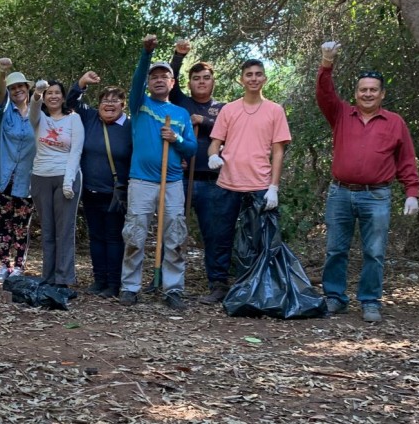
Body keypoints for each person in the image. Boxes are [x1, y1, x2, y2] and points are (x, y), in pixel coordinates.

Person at [317, 41, 419, 323]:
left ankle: (370, 301)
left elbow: (406, 160)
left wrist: (412, 192)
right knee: (336, 249)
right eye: (363, 89)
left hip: (376, 196)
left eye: (373, 89)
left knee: (374, 252)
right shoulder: (341, 115)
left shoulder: (395, 122)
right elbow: (325, 95)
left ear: (382, 94)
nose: (367, 93)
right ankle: (335, 298)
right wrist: (327, 63)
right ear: (356, 93)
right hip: (340, 193)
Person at [119, 35, 196, 310]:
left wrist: (176, 139)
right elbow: (137, 79)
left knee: (175, 236)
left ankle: (173, 289)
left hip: (172, 182)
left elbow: (192, 148)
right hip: (141, 182)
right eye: (155, 76)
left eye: (165, 76)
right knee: (135, 235)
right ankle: (130, 287)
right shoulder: (140, 104)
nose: (159, 80)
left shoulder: (180, 114)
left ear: (173, 83)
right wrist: (145, 54)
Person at [204, 59, 291, 304]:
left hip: (260, 184)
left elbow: (278, 151)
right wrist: (212, 156)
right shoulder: (229, 110)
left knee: (259, 239)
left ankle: (255, 286)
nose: (253, 78)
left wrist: (274, 187)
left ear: (264, 79)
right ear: (241, 79)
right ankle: (218, 285)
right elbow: (215, 142)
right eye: (249, 74)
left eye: (258, 74)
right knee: (220, 236)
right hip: (228, 183)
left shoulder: (275, 110)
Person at [66, 71, 132, 298]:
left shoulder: (130, 127)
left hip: (116, 194)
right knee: (96, 236)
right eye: (105, 100)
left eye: (115, 101)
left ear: (123, 105)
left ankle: (113, 283)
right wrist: (82, 82)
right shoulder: (90, 117)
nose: (109, 104)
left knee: (114, 237)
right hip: (90, 190)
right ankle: (99, 279)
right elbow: (71, 102)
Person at [169, 39, 225, 292]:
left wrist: (205, 121)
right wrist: (179, 56)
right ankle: (165, 279)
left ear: (213, 81)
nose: (201, 82)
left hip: (212, 181)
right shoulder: (181, 102)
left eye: (206, 78)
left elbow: (231, 133)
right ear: (190, 82)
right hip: (181, 177)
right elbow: (171, 84)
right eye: (196, 78)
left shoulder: (223, 109)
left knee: (213, 234)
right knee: (172, 229)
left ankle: (217, 282)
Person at [30, 79, 84, 288]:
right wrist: (36, 93)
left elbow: (76, 151)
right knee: (48, 230)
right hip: (40, 176)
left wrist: (68, 180)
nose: (52, 96)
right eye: (48, 93)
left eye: (56, 92)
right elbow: (33, 110)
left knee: (64, 229)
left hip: (65, 176)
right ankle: (48, 277)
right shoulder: (39, 119)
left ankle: (63, 278)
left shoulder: (74, 119)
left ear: (63, 97)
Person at [0, 59, 36, 281]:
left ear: (28, 89)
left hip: (27, 180)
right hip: (1, 177)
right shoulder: (4, 112)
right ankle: (3, 265)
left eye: (21, 87)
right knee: (4, 223)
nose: (17, 91)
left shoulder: (38, 114)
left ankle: (19, 266)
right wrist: (2, 72)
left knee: (21, 226)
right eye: (13, 87)